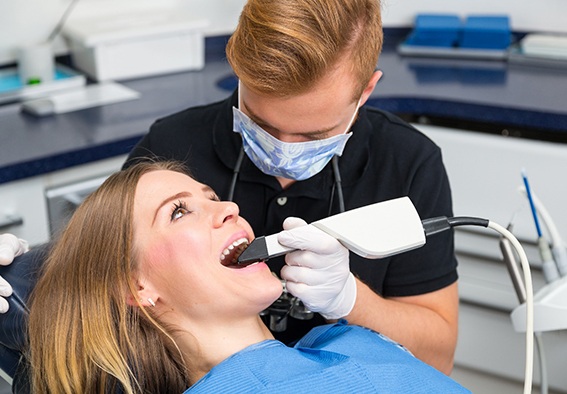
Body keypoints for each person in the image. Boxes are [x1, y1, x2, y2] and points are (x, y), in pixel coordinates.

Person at [0, 0, 459, 374]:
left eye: (314, 135)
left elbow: (436, 357)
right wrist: (24, 273)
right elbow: (107, 272)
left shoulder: (407, 163)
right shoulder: (172, 147)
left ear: (366, 91)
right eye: (260, 124)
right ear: (237, 69)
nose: (283, 147)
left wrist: (351, 299)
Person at [25, 160, 469, 393]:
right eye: (179, 211)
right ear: (136, 287)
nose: (229, 208)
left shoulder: (348, 341)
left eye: (213, 196)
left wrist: (350, 296)